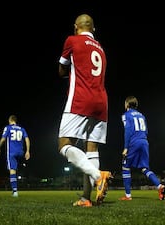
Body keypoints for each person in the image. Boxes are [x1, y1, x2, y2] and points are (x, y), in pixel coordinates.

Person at [57, 13, 112, 207]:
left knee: (64, 145)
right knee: (92, 150)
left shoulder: (72, 40)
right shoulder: (101, 49)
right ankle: (86, 198)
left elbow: (61, 71)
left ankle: (99, 176)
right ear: (93, 29)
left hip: (81, 100)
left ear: (75, 27)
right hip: (102, 102)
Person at [119, 96, 165, 201]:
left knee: (125, 167)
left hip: (134, 142)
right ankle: (159, 186)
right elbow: (146, 131)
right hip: (144, 142)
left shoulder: (126, 115)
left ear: (127, 104)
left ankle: (128, 196)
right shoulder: (142, 116)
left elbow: (128, 131)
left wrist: (126, 147)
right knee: (145, 168)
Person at [0, 115, 30, 197]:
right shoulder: (22, 129)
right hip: (21, 152)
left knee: (12, 170)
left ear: (10, 120)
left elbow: (3, 139)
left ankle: (15, 191)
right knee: (20, 169)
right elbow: (27, 139)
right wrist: (28, 151)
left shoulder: (8, 127)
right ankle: (24, 183)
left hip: (12, 152)